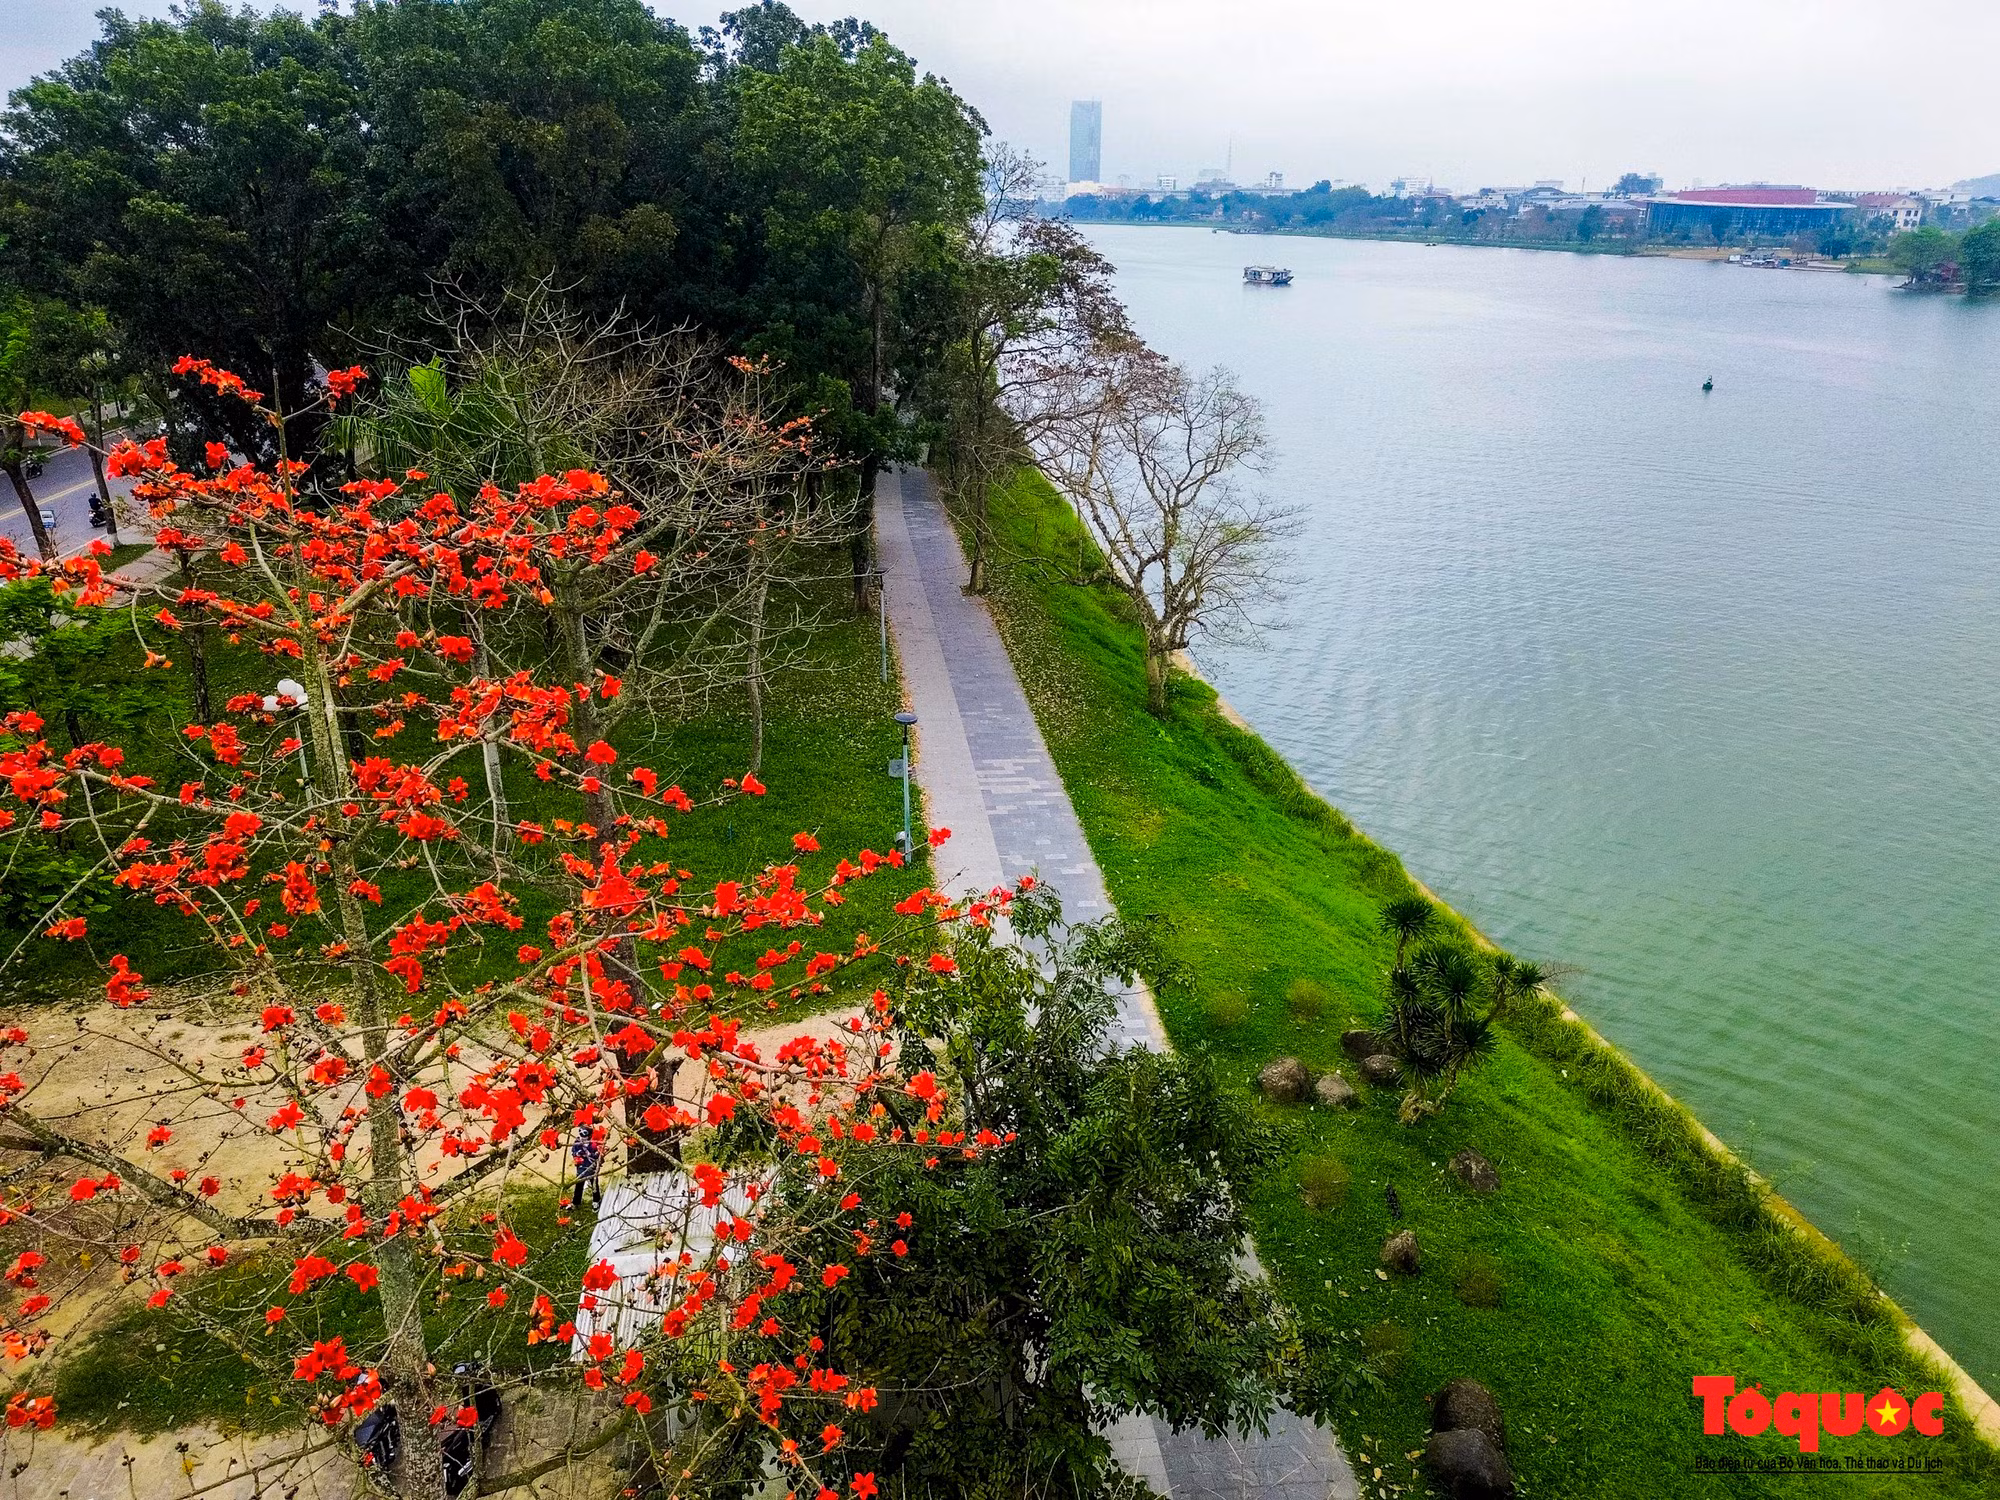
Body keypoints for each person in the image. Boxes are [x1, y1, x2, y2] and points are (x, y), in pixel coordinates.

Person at [570, 1123, 603, 1208]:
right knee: (579, 1185)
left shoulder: (594, 1144)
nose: (582, 1138)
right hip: (581, 1167)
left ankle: (596, 1200)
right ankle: (576, 1202)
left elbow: (597, 1155)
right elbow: (573, 1152)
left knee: (594, 1185)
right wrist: (578, 1154)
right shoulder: (577, 1142)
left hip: (591, 1167)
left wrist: (590, 1154)